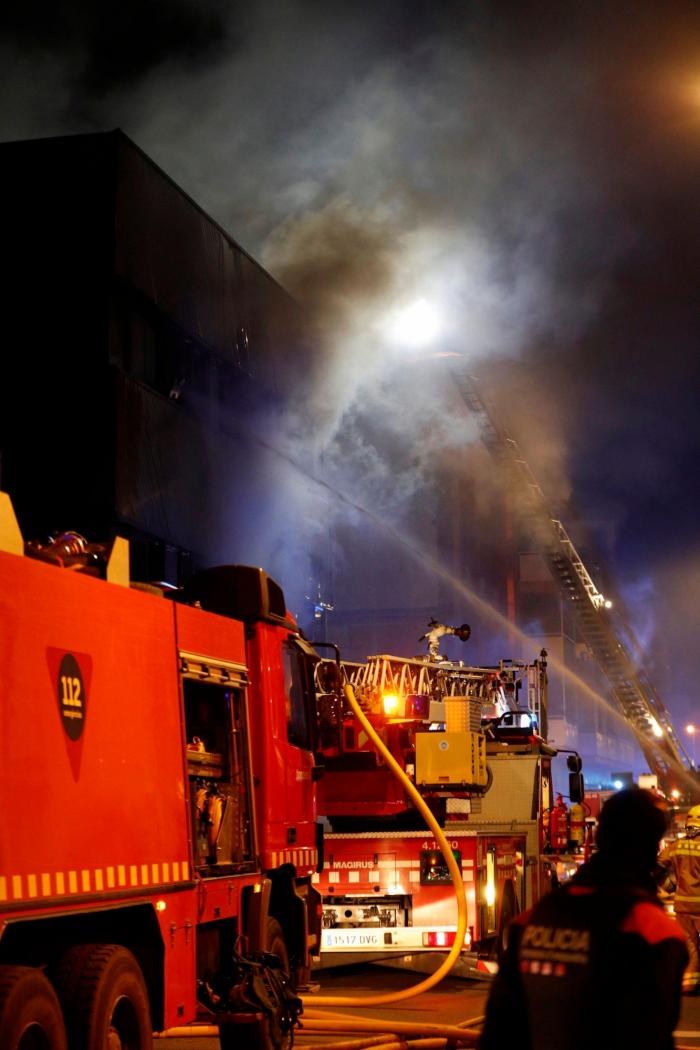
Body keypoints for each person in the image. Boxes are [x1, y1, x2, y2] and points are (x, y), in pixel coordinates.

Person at [479, 787, 688, 1050]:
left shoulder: (529, 924)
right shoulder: (654, 935)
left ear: (600, 835)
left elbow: (498, 1033)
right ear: (651, 844)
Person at [659, 803, 700, 995]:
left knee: (691, 945)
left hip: (683, 905)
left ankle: (690, 984)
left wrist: (670, 886)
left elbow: (655, 867)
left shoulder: (676, 846)